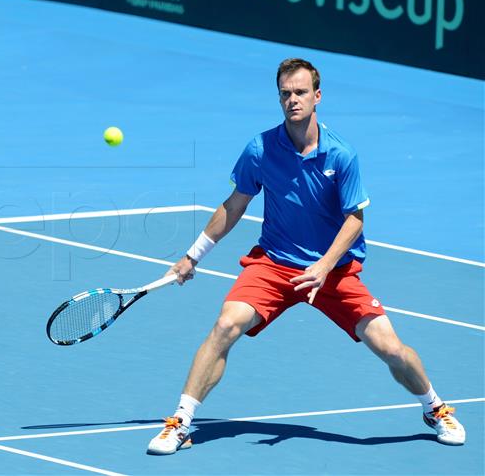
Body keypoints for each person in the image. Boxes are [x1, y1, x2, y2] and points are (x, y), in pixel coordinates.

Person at [146, 58, 465, 455]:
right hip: (274, 265)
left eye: (299, 92)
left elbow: (355, 220)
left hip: (333, 271)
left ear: (317, 96)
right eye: (285, 93)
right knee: (226, 326)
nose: (292, 100)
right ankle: (180, 422)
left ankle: (434, 408)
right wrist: (192, 257)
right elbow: (234, 205)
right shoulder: (260, 149)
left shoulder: (341, 155)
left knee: (391, 348)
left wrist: (323, 266)